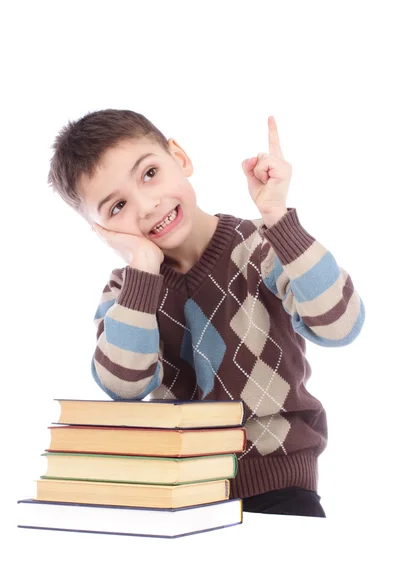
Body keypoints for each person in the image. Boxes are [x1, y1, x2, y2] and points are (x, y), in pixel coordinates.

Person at [47, 109, 365, 518]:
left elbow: (340, 324)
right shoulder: (127, 292)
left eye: (149, 173)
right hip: (175, 497)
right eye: (117, 206)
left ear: (179, 156)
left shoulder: (264, 248)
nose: (146, 205)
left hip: (279, 485)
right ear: (100, 230)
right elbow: (124, 386)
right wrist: (142, 266)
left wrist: (278, 221)